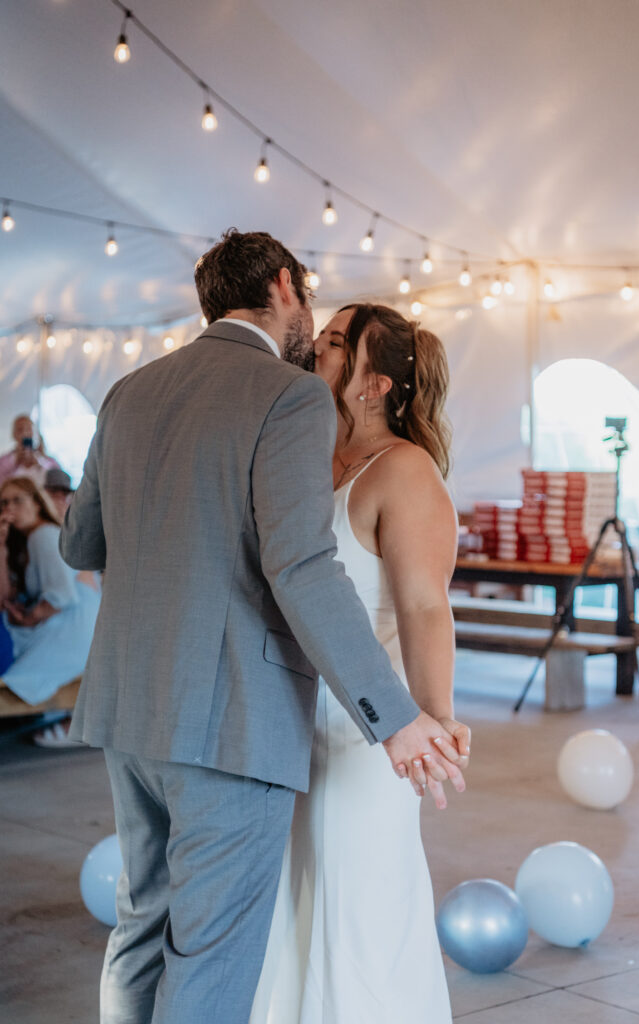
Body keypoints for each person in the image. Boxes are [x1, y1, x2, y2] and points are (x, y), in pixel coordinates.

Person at [59, 230, 469, 1024]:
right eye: (311, 315)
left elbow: (81, 542)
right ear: (284, 284)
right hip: (233, 718)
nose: (311, 337)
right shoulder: (287, 399)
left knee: (144, 924)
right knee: (210, 954)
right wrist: (398, 719)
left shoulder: (129, 390)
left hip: (129, 707)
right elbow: (300, 568)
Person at [250, 303, 465, 1022]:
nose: (316, 347)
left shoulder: (402, 473)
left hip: (361, 739)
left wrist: (435, 716)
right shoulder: (305, 452)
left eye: (337, 343)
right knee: (291, 909)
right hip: (283, 724)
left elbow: (425, 607)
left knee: (355, 914)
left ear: (373, 383)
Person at [0, 478, 101, 728]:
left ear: (36, 502)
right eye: (4, 502)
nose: (11, 507)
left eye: (18, 500)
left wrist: (28, 619)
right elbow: (8, 596)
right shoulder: (29, 542)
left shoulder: (43, 535)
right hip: (67, 621)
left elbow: (62, 596)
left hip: (74, 627)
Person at [0, 414, 61, 488]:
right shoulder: (4, 462)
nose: (25, 433)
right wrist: (15, 462)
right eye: (20, 430)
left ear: (35, 433)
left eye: (29, 429)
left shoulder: (47, 461)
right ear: (14, 434)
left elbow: (58, 481)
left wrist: (39, 464)